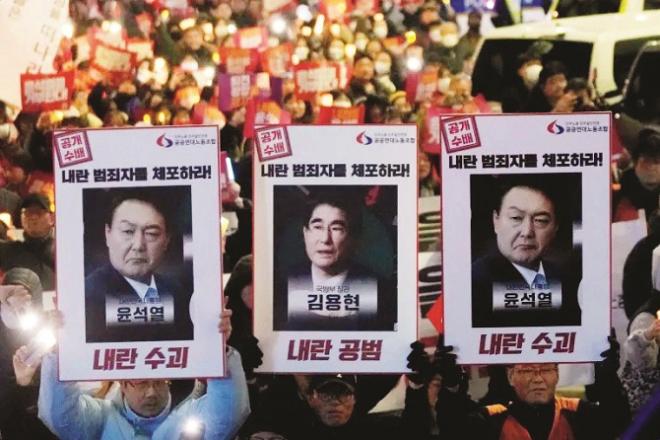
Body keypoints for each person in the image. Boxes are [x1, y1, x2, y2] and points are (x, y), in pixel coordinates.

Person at [32, 309, 250, 440]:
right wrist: (60, 355)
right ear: (123, 384)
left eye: (159, 382)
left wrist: (216, 350)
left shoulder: (190, 417)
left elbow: (228, 413)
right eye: (141, 383)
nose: (151, 392)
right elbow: (61, 418)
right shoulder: (99, 417)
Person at [463, 334, 631, 439]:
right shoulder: (491, 420)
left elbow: (616, 424)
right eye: (527, 370)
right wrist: (452, 388)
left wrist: (608, 377)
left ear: (557, 374)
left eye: (546, 369)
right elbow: (455, 430)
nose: (538, 379)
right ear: (510, 376)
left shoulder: (575, 413)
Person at [273, 193, 396, 331]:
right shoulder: (282, 284)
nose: (325, 239)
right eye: (318, 227)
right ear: (305, 233)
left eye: (337, 228)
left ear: (353, 238)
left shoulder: (381, 292)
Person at [84, 189, 194, 342]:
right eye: (128, 231)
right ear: (107, 234)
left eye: (151, 234)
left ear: (167, 240)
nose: (138, 245)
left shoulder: (177, 291)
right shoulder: (88, 295)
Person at [472, 176, 582, 327]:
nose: (527, 232)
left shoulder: (569, 281)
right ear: (495, 221)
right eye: (516, 217)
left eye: (541, 220)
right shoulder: (472, 283)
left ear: (555, 227)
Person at [0, 193, 55, 290]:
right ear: (21, 219)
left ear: (52, 218)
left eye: (39, 212)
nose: (33, 217)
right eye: (28, 212)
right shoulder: (10, 251)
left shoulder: (63, 250)